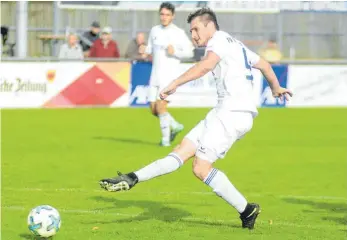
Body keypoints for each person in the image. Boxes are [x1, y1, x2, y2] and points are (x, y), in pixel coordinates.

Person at [99, 8, 292, 229]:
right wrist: (276, 88)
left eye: (196, 29)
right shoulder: (234, 43)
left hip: (233, 113)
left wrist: (173, 84)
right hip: (224, 111)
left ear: (210, 25)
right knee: (181, 151)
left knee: (200, 168)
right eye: (191, 31)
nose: (194, 35)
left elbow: (206, 65)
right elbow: (265, 65)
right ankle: (132, 178)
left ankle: (247, 210)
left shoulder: (218, 40)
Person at [139, 2, 194, 147]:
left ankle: (165, 141)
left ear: (173, 16)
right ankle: (174, 125)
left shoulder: (178, 33)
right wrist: (145, 49)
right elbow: (152, 48)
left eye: (167, 15)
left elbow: (190, 52)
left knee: (161, 106)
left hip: (169, 77)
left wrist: (175, 51)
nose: (164, 17)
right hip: (154, 75)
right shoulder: (155, 30)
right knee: (153, 109)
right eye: (162, 14)